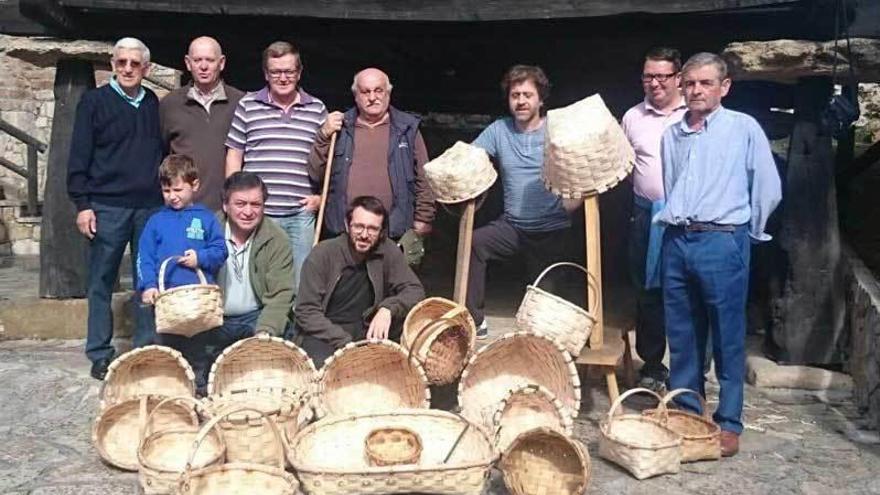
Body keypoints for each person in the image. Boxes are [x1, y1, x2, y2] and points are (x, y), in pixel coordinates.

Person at [656, 52, 782, 457]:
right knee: (681, 333)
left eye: (705, 83)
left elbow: (767, 185)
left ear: (724, 87)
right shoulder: (670, 135)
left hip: (722, 239)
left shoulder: (743, 129)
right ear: (681, 86)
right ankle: (688, 413)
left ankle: (729, 422)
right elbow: (673, 184)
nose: (695, 90)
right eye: (689, 83)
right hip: (678, 239)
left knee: (727, 334)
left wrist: (752, 231)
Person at [67, 37, 164, 380]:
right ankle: (99, 352)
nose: (127, 69)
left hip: (149, 209)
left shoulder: (153, 103)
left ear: (145, 68)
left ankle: (146, 349)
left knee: (147, 281)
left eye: (134, 64)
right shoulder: (94, 103)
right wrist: (83, 204)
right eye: (121, 62)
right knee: (101, 281)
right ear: (112, 64)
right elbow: (79, 155)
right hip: (107, 207)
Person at [466, 65, 578, 339]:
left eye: (528, 94)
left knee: (543, 324)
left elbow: (582, 164)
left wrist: (574, 198)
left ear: (541, 99)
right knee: (474, 243)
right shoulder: (499, 130)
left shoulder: (557, 128)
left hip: (552, 229)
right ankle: (473, 320)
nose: (521, 101)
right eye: (515, 95)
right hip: (512, 227)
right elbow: (468, 157)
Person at [225, 41, 327, 293]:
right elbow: (234, 155)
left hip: (301, 214)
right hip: (260, 213)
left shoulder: (317, 109)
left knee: (300, 282)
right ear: (266, 74)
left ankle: (293, 332)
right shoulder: (248, 106)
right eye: (276, 72)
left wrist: (321, 198)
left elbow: (330, 160)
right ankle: (261, 332)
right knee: (260, 279)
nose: (283, 78)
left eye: (289, 71)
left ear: (299, 73)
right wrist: (234, 200)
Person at [308, 68, 435, 251]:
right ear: (356, 96)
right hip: (345, 230)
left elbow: (425, 177)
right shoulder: (340, 128)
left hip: (394, 230)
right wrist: (323, 136)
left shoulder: (407, 129)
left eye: (378, 90)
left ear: (388, 93)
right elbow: (315, 173)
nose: (372, 97)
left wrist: (424, 217)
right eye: (365, 92)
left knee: (389, 280)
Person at [621, 47, 687, 392]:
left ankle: (687, 367)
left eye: (662, 76)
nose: (655, 82)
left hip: (688, 218)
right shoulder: (632, 117)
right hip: (646, 214)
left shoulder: (694, 114)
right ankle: (651, 363)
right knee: (647, 291)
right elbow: (621, 165)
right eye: (649, 76)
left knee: (684, 290)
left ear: (678, 78)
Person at [293, 196, 425, 366]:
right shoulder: (323, 254)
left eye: (372, 229)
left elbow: (414, 289)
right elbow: (306, 311)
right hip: (326, 332)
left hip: (368, 329)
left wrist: (388, 309)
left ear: (381, 231)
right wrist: (344, 341)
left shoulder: (388, 251)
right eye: (359, 227)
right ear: (348, 225)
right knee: (322, 371)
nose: (364, 235)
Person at [137, 155, 227, 391]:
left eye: (178, 189)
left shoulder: (205, 218)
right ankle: (169, 390)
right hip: (166, 302)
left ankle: (199, 389)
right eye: (167, 190)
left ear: (194, 185)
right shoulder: (155, 221)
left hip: (198, 303)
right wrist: (148, 286)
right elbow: (144, 257)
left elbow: (220, 251)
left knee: (199, 349)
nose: (172, 196)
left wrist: (201, 258)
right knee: (167, 350)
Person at [160, 36, 244, 210]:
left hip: (226, 208)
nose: (203, 66)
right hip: (183, 208)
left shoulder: (240, 102)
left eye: (210, 60)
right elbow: (161, 153)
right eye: (197, 60)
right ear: (188, 63)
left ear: (221, 63)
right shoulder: (170, 104)